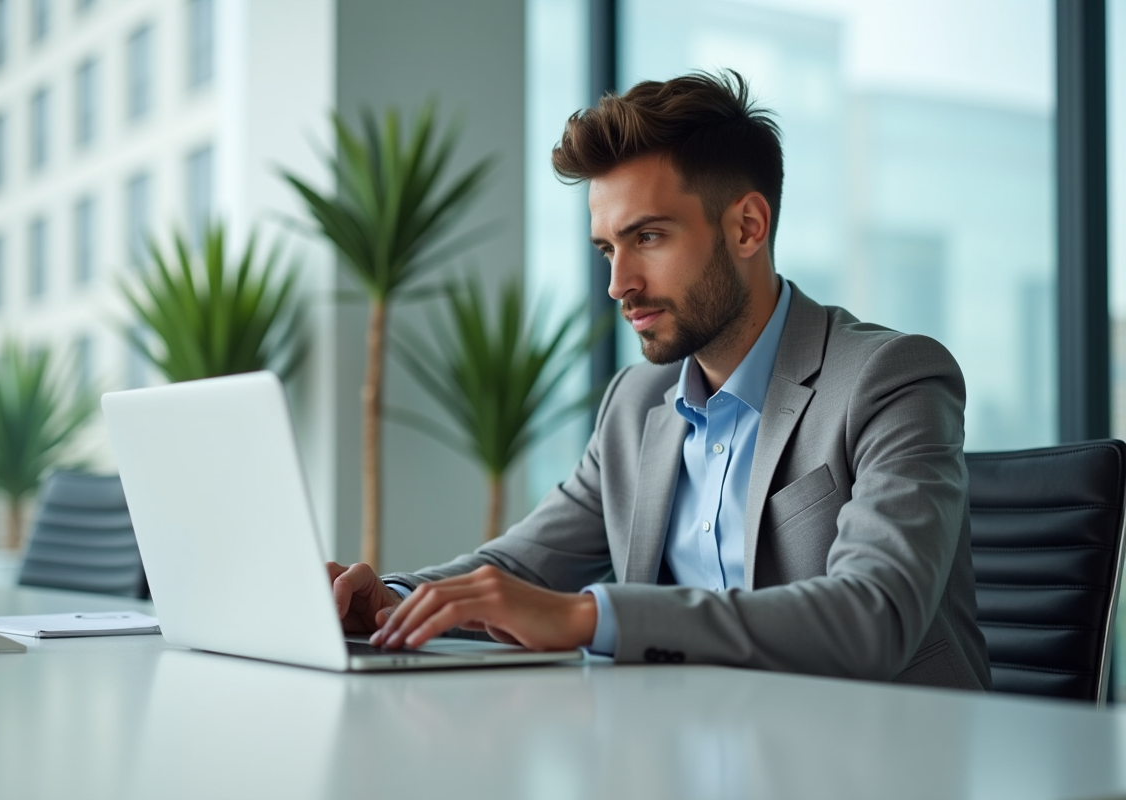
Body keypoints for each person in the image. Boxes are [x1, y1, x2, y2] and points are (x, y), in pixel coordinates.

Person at [327, 70, 991, 690]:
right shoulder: (635, 404)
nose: (619, 284)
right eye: (607, 249)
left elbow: (873, 614)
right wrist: (394, 602)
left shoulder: (891, 379)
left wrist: (590, 617)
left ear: (748, 227)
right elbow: (522, 567)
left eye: (647, 237)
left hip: (879, 751)